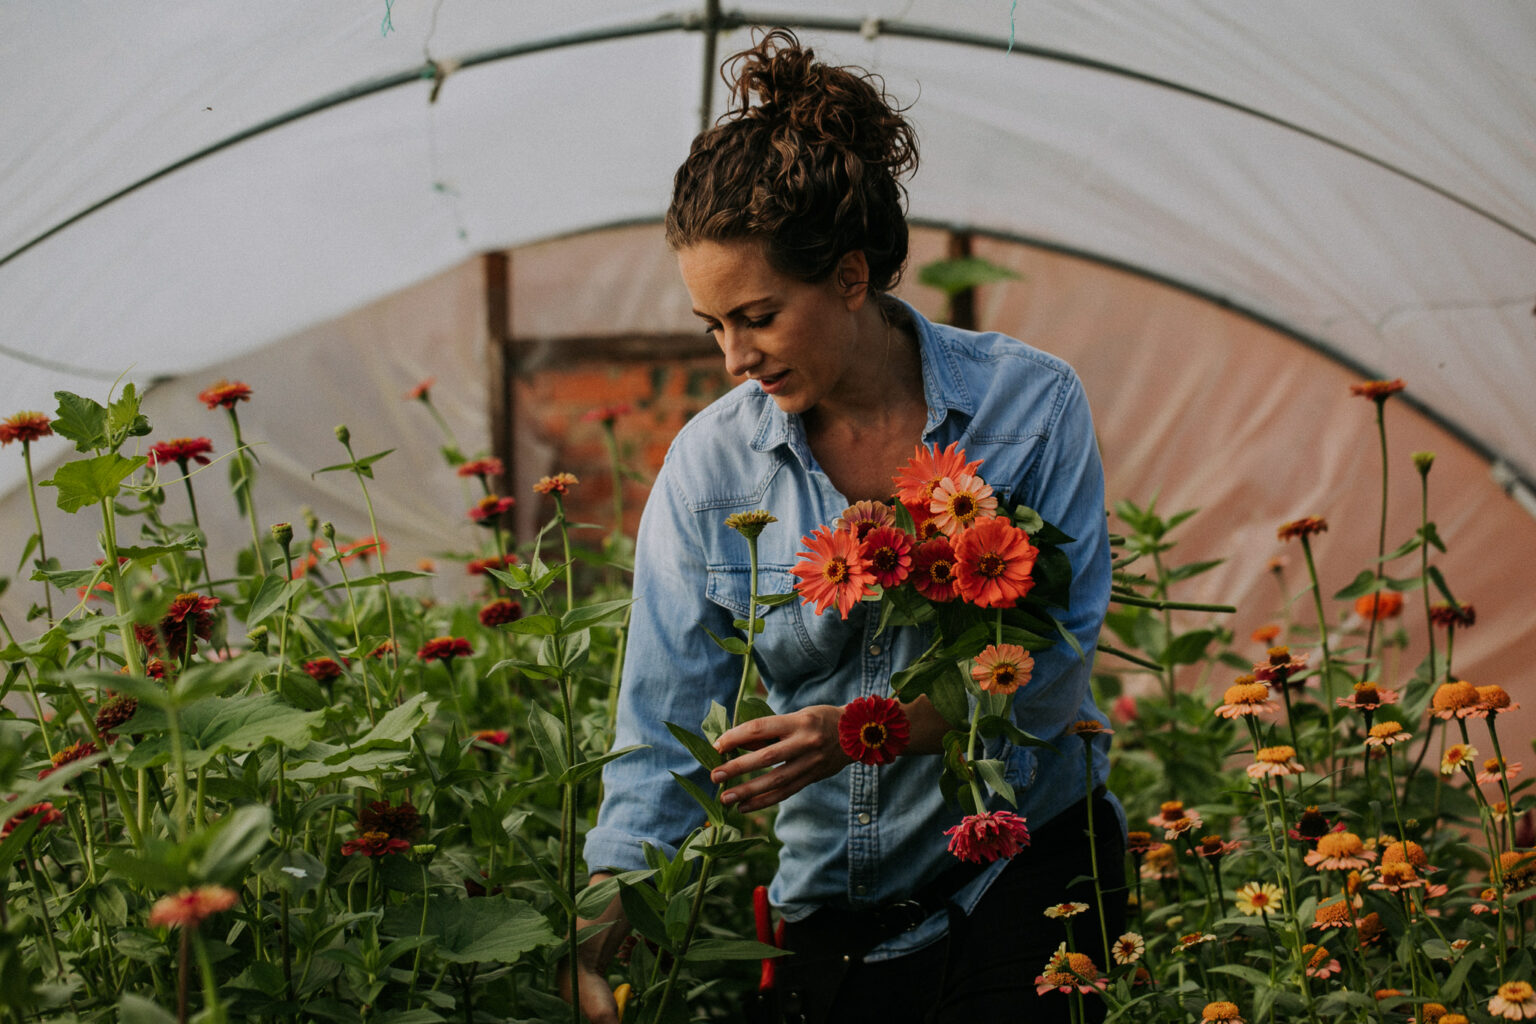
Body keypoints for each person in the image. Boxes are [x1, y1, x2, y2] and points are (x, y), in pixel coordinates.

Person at [565, 29, 1124, 1024]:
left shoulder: (1026, 409)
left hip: (1027, 877)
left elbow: (1056, 663)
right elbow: (661, 727)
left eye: (760, 315)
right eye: (714, 326)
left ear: (853, 278)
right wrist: (598, 932)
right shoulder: (712, 467)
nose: (736, 356)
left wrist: (872, 731)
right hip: (840, 910)